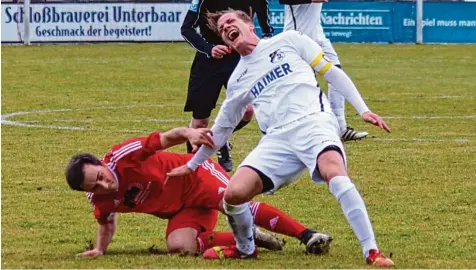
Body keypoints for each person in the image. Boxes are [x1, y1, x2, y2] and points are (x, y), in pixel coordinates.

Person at [167, 10, 394, 267]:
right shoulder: (238, 79)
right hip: (277, 140)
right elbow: (220, 131)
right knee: (233, 194)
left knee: (334, 172)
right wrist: (192, 165)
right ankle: (245, 249)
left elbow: (331, 72)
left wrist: (363, 109)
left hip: (313, 122)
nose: (226, 27)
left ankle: (371, 251)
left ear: (249, 25)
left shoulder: (289, 40)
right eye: (221, 28)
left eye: (230, 21)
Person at [65, 127, 332, 257]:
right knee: (180, 247)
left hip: (196, 177)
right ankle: (251, 236)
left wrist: (190, 133)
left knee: (233, 203)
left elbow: (166, 138)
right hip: (183, 210)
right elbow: (106, 221)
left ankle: (307, 235)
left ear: (101, 163)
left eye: (100, 177)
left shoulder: (123, 156)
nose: (104, 185)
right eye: (95, 186)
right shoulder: (99, 198)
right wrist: (100, 249)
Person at [181, 0, 274, 172]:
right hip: (208, 63)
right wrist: (209, 49)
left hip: (239, 60)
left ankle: (220, 141)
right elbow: (186, 29)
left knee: (247, 112)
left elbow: (267, 30)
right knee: (200, 122)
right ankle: (192, 171)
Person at [279, 0, 368, 141]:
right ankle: (297, 130)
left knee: (337, 74)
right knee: (302, 88)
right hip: (297, 39)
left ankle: (340, 127)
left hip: (318, 38)